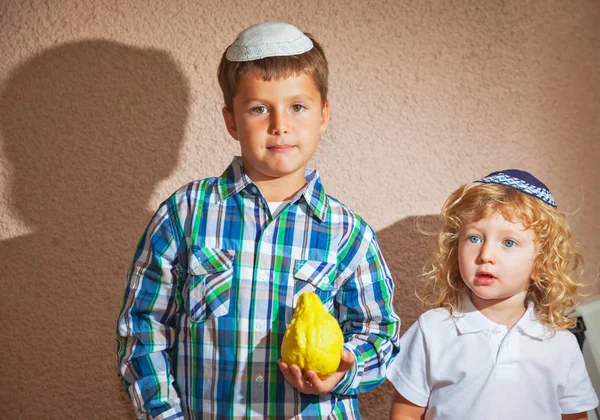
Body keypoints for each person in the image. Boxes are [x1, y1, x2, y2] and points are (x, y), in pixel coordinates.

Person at [116, 22, 400, 419]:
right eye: (259, 108)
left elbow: (380, 331)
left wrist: (343, 370)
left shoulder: (348, 233)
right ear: (231, 120)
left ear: (323, 115)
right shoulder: (185, 214)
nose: (279, 124)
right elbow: (143, 329)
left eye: (297, 107)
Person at [387, 170, 599, 420]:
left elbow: (575, 417)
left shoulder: (560, 344)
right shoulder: (433, 329)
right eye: (474, 238)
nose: (485, 253)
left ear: (541, 264)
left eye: (508, 242)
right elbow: (406, 414)